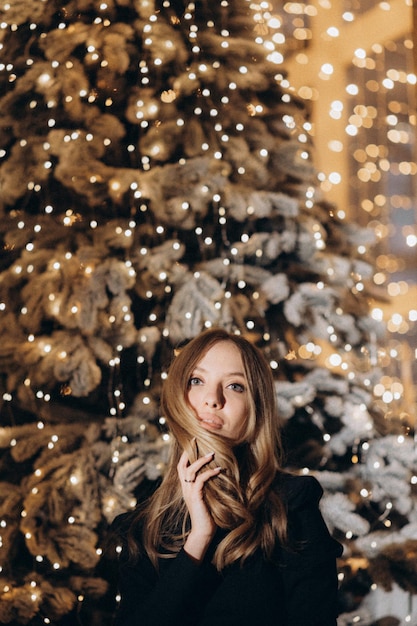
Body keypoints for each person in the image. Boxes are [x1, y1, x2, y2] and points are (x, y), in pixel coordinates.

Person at [111, 327, 343, 626]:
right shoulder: (141, 529)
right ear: (178, 396)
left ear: (255, 408)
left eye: (235, 386)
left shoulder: (290, 505)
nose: (213, 399)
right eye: (197, 381)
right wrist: (198, 538)